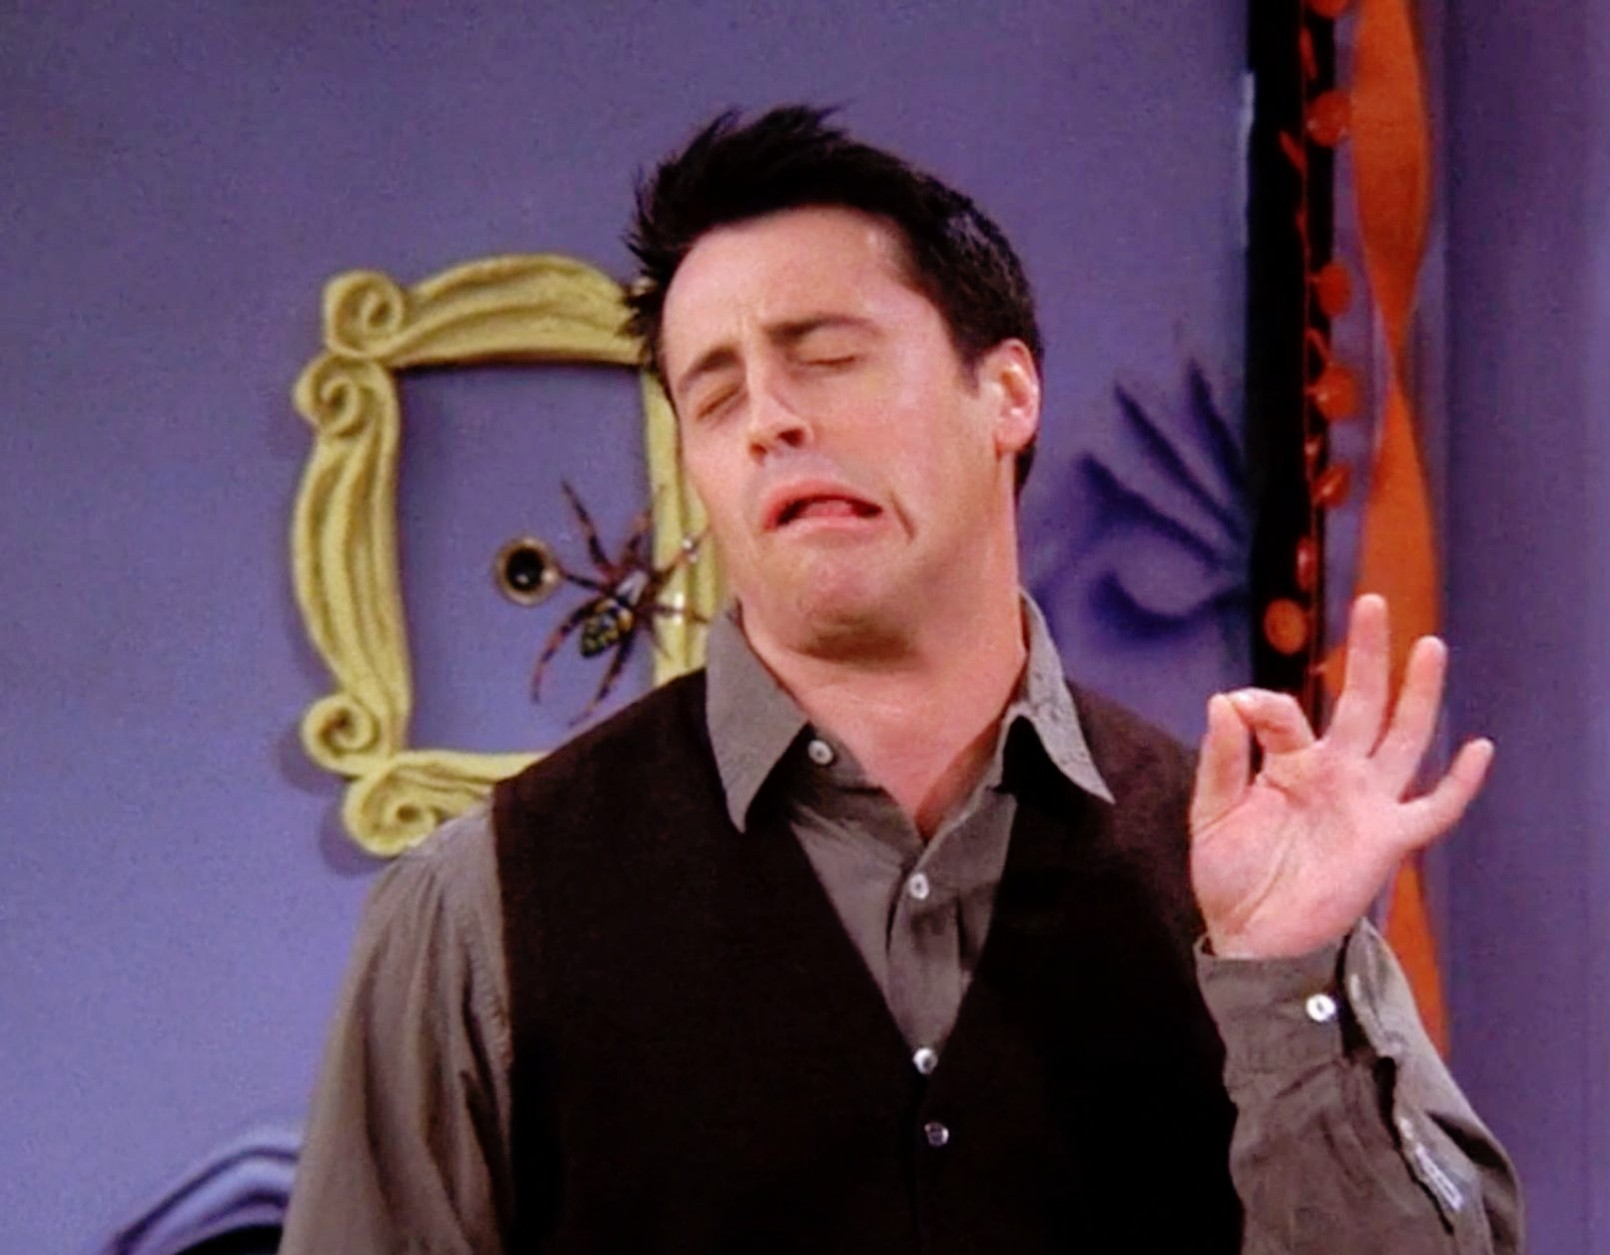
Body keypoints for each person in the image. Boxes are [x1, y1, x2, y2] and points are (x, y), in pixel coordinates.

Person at [280, 105, 1521, 1254]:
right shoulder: (482, 904)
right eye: (714, 393)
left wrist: (1287, 987)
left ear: (1008, 392)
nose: (768, 417)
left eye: (825, 357)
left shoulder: (1246, 879)